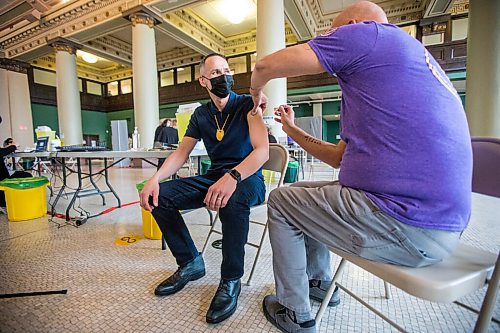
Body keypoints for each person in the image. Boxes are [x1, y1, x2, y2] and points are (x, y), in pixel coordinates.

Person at [249, 2, 472, 332]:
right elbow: (339, 158)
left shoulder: (368, 36)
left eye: (330, 34)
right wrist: (291, 129)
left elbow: (265, 65)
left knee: (282, 202)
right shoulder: (402, 67)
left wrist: (255, 94)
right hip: (439, 224)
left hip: (407, 221)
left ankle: (294, 311)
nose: (327, 42)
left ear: (352, 26)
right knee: (302, 196)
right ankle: (320, 284)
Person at [140, 53, 268, 324]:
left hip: (248, 177)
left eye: (226, 70)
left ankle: (230, 280)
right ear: (203, 81)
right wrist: (155, 179)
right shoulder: (201, 114)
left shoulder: (248, 104)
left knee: (231, 202)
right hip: (214, 175)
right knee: (160, 197)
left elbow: (263, 152)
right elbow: (181, 153)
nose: (224, 77)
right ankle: (190, 263)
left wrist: (233, 176)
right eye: (216, 73)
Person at [1, 136, 32, 207]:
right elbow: (3, 152)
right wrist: (14, 146)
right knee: (28, 175)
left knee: (24, 173)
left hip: (6, 174)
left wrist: (10, 147)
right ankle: (24, 199)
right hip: (4, 178)